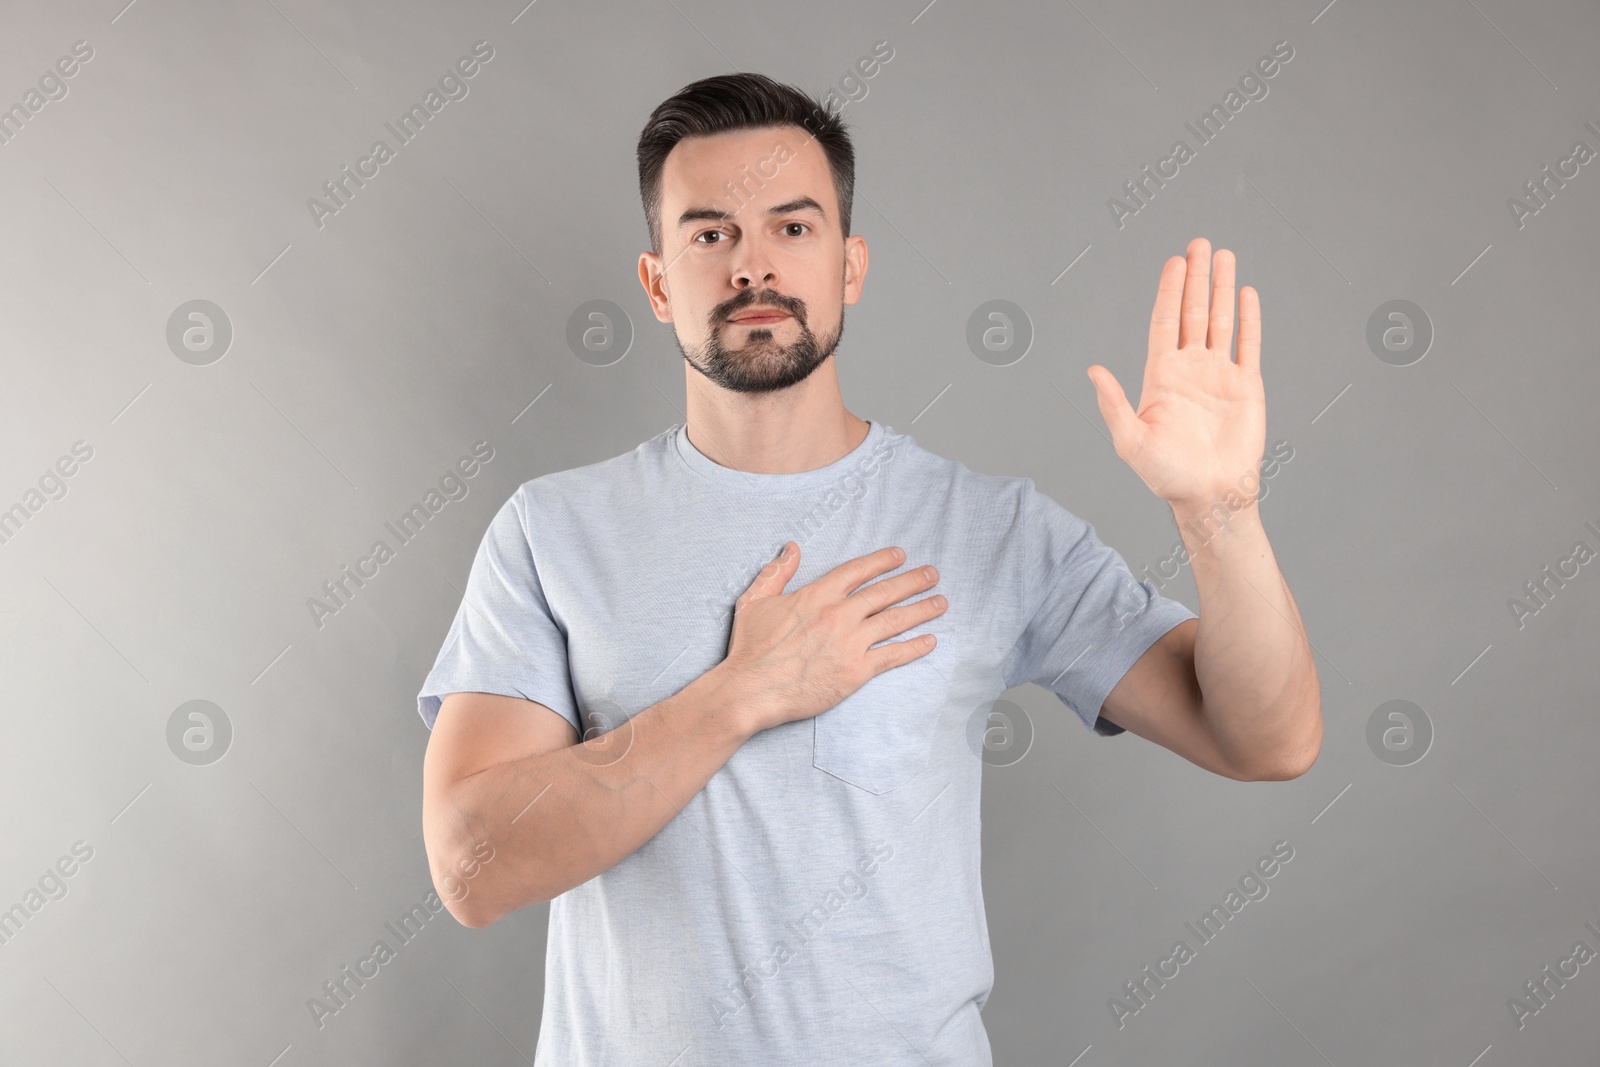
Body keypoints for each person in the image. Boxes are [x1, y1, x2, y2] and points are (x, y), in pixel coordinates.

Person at [416, 71, 1320, 1067]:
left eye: (792, 229)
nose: (752, 266)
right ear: (659, 280)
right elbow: (473, 863)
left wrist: (1217, 510)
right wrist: (740, 692)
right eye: (710, 233)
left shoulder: (990, 528)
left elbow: (1265, 738)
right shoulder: (553, 530)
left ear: (850, 266)